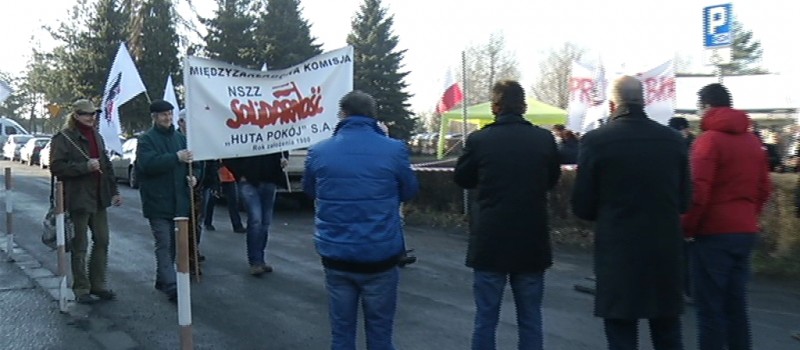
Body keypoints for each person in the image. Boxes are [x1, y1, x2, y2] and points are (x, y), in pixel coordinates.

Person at [571, 76, 690, 350]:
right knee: (668, 332)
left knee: (622, 332)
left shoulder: (596, 141)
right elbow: (684, 201)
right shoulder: (673, 141)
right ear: (645, 100)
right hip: (665, 250)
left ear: (613, 104)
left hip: (619, 250)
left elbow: (582, 205)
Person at [303, 90, 419, 350]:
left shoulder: (319, 151)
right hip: (381, 253)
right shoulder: (394, 149)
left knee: (341, 332)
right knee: (380, 332)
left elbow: (311, 190)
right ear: (373, 117)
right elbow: (410, 189)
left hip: (336, 253)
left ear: (342, 114)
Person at [454, 80, 561, 350]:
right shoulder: (544, 139)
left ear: (495, 106)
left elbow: (462, 178)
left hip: (490, 239)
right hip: (531, 239)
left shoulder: (480, 140)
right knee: (530, 318)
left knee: (486, 318)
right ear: (524, 106)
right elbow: (551, 180)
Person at [683, 83, 772, 350]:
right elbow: (764, 188)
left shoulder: (708, 141)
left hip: (713, 233)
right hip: (744, 230)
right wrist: (747, 216)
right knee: (736, 306)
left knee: (710, 308)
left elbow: (699, 192)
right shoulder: (752, 141)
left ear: (706, 105)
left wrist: (687, 227)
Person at [50, 99, 122, 304]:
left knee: (102, 240)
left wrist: (114, 191)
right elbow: (56, 167)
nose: (91, 117)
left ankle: (98, 284)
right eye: (86, 114)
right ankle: (81, 288)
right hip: (78, 199)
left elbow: (106, 166)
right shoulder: (63, 138)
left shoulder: (97, 136)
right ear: (76, 115)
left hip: (99, 198)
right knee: (79, 245)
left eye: (93, 114)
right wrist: (84, 167)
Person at [136, 100, 196, 302]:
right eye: (163, 115)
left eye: (170, 114)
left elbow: (194, 162)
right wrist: (175, 158)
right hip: (157, 201)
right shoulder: (146, 140)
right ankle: (171, 285)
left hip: (180, 201)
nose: (168, 118)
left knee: (174, 245)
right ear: (154, 117)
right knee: (164, 242)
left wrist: (195, 176)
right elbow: (148, 165)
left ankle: (163, 278)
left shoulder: (181, 138)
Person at [223, 143, 288, 275]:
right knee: (256, 220)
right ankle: (255, 261)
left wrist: (284, 158)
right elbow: (228, 153)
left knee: (265, 222)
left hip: (270, 179)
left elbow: (283, 144)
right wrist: (239, 174)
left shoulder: (273, 129)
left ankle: (260, 259)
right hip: (249, 181)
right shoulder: (244, 129)